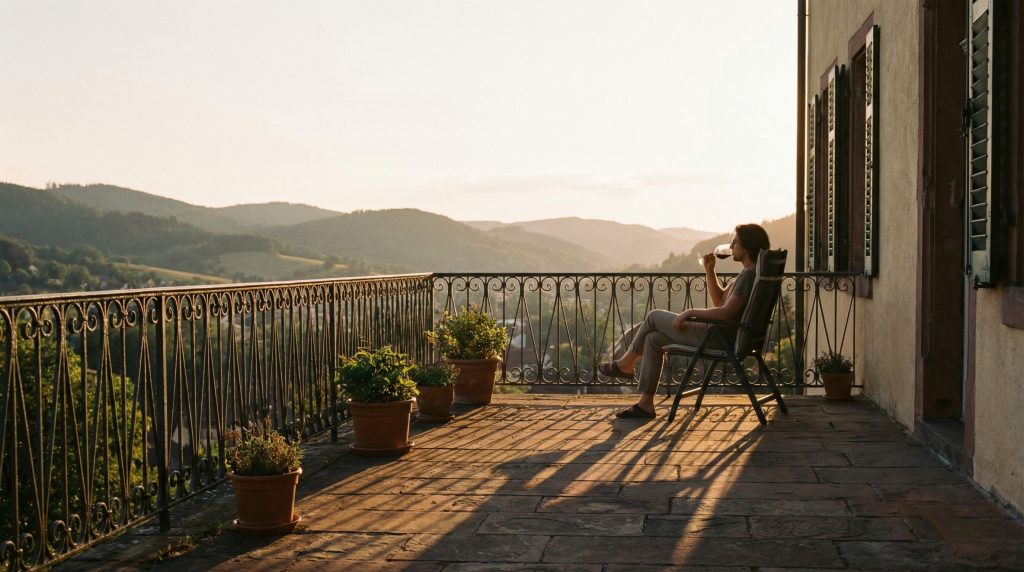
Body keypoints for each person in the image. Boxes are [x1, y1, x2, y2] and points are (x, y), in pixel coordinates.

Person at [597, 223, 771, 418]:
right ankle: (645, 404)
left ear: (746, 247)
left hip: (719, 336)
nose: (731, 246)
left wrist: (690, 312)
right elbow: (720, 301)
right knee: (653, 339)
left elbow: (725, 313)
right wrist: (709, 270)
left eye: (735, 242)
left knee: (654, 316)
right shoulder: (749, 273)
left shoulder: (748, 275)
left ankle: (625, 365)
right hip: (725, 334)